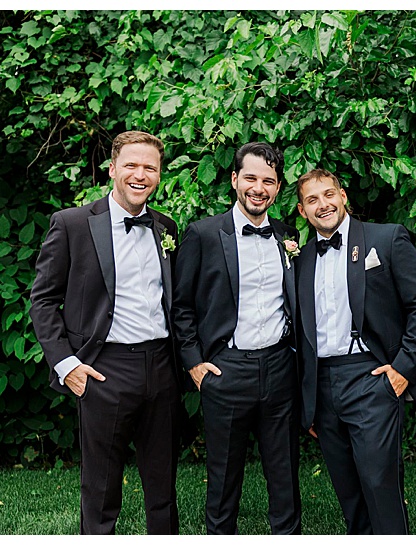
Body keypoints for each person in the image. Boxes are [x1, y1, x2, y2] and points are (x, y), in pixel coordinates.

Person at [29, 131, 182, 534]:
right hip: (103, 369)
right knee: (100, 487)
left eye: (150, 167)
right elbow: (42, 301)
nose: (140, 174)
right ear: (113, 168)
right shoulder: (73, 224)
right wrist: (67, 365)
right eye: (131, 165)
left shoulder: (166, 227)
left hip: (161, 367)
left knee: (163, 484)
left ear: (159, 175)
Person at [291, 169, 416, 535]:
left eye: (328, 194)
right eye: (312, 200)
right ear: (302, 210)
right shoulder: (301, 258)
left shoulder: (385, 238)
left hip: (371, 376)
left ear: (342, 195)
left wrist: (404, 367)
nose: (322, 204)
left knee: (378, 482)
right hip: (323, 384)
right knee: (347, 488)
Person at [170, 142, 302, 534]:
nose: (258, 188)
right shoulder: (204, 234)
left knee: (284, 473)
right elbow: (182, 306)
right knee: (224, 474)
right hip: (226, 370)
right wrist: (194, 363)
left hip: (279, 367)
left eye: (268, 181)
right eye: (251, 178)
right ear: (234, 180)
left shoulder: (288, 234)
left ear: (277, 188)